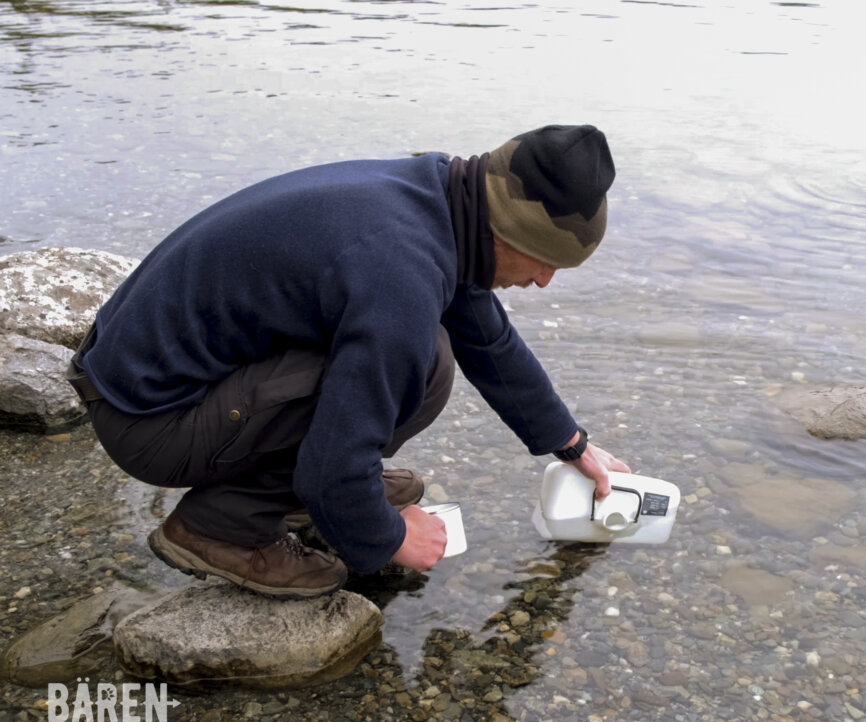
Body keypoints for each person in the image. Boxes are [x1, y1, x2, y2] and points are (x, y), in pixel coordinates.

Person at [66, 124, 630, 599]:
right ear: (505, 230)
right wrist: (387, 537)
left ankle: (303, 501)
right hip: (150, 419)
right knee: (417, 365)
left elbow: (488, 338)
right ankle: (220, 526)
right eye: (544, 260)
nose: (543, 280)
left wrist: (571, 442)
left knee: (424, 358)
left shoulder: (439, 197)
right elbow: (335, 456)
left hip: (141, 377)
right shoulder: (399, 271)